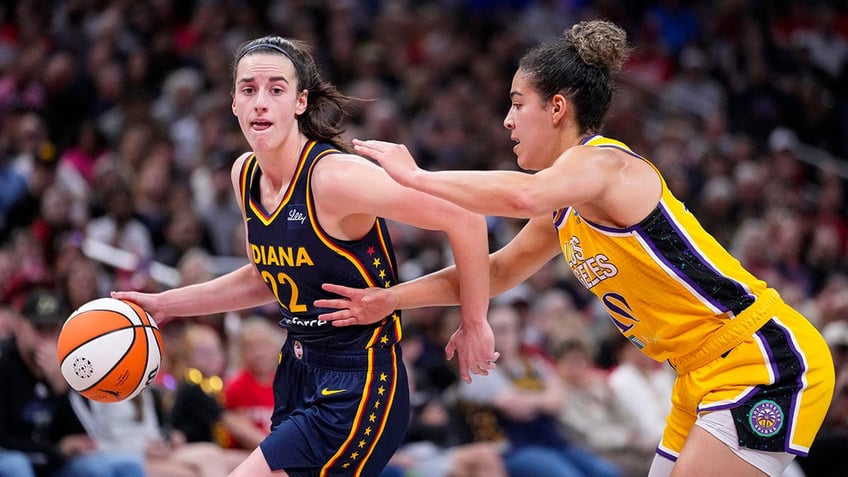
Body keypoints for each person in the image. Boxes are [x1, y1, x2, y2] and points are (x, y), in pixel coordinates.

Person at [316, 19, 836, 477]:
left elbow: (521, 195)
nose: (507, 120)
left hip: (760, 356)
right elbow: (492, 273)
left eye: (518, 104)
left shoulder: (606, 164)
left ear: (558, 107)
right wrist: (389, 299)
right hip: (699, 374)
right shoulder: (561, 208)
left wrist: (418, 177)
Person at [112, 35, 497, 477]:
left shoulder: (335, 178)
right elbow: (264, 279)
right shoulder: (246, 174)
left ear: (300, 102)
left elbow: (465, 218)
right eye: (248, 90)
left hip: (360, 381)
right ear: (233, 103)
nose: (260, 102)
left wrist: (474, 322)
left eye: (276, 90)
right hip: (296, 371)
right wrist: (165, 305)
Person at [0, 289, 145, 477]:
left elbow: (87, 436)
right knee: (17, 467)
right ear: (20, 326)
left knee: (121, 466)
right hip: (15, 456)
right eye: (38, 329)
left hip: (51, 459)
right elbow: (3, 439)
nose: (45, 338)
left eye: (52, 329)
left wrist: (63, 390)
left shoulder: (68, 364)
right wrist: (56, 449)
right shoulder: (4, 363)